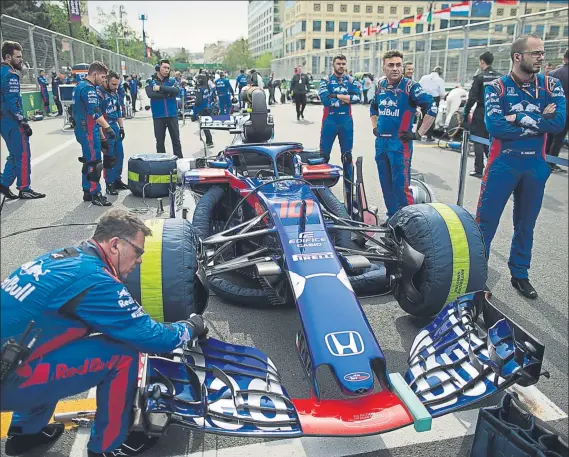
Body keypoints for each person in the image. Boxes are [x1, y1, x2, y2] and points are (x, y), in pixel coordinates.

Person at [0, 208, 208, 457]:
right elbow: (153, 338)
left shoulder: (63, 258)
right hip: (8, 380)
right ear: (115, 245)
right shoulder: (96, 280)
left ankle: (25, 435)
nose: (140, 260)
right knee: (123, 354)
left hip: (11, 362)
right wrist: (191, 326)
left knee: (49, 342)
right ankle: (108, 446)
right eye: (138, 252)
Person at [477, 34, 566, 299]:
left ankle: (520, 274)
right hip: (502, 164)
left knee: (526, 224)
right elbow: (495, 127)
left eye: (542, 52)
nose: (541, 57)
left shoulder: (552, 85)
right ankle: (477, 276)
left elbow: (558, 123)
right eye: (535, 53)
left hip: (535, 166)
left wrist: (518, 117)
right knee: (485, 224)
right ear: (518, 57)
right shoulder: (496, 87)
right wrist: (540, 118)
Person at [370, 50, 438, 223]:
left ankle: (409, 224)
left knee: (401, 187)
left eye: (398, 65)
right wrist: (375, 126)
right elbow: (373, 107)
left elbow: (431, 107)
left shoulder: (410, 87)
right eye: (391, 65)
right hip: (381, 143)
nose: (395, 69)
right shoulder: (380, 85)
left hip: (400, 144)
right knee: (386, 186)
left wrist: (418, 133)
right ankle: (392, 220)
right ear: (383, 67)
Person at [0, 41, 45, 200]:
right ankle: (24, 188)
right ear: (7, 57)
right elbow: (13, 102)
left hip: (3, 121)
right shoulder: (10, 74)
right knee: (23, 154)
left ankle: (4, 183)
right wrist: (23, 121)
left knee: (14, 154)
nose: (21, 59)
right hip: (12, 121)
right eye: (18, 57)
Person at [73, 61, 115, 206]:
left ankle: (87, 191)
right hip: (88, 131)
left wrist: (102, 137)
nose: (104, 80)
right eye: (103, 77)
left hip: (86, 130)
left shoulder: (81, 86)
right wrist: (108, 128)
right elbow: (95, 113)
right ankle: (95, 193)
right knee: (94, 163)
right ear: (95, 74)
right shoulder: (89, 89)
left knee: (88, 160)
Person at [318, 54, 360, 199]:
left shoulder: (351, 80)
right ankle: (321, 191)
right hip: (329, 122)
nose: (341, 66)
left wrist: (335, 96)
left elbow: (357, 98)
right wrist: (345, 98)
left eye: (343, 63)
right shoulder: (326, 80)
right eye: (338, 63)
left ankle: (349, 193)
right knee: (323, 157)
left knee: (347, 157)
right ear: (333, 65)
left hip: (346, 123)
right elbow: (325, 99)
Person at [464, 52, 502, 177]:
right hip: (496, 112)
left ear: (482, 61)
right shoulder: (500, 77)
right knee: (491, 140)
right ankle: (494, 167)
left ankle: (478, 168)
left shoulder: (480, 77)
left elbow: (472, 97)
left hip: (481, 111)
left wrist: (466, 111)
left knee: (478, 140)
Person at [98, 70, 128, 196]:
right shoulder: (99, 94)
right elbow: (97, 116)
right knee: (109, 157)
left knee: (119, 155)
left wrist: (121, 128)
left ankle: (117, 180)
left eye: (117, 84)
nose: (116, 87)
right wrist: (102, 137)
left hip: (115, 126)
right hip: (105, 127)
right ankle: (109, 184)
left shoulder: (115, 93)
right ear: (106, 81)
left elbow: (119, 111)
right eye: (113, 84)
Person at [145, 59, 182, 158]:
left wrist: (160, 89)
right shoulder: (150, 81)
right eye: (164, 67)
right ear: (158, 68)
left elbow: (176, 91)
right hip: (158, 116)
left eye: (168, 68)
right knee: (160, 142)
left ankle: (179, 162)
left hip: (172, 115)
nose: (167, 70)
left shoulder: (172, 80)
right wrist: (168, 94)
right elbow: (150, 94)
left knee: (176, 141)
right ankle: (162, 163)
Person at [546, 48, 568, 173]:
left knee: (549, 135)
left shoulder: (552, 74)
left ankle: (546, 158)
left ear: (564, 58)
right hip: (566, 112)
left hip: (552, 109)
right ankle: (551, 162)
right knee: (559, 138)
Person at [419, 66, 446, 141]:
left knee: (422, 116)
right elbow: (442, 93)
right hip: (434, 99)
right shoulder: (440, 80)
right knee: (431, 117)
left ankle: (419, 134)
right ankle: (429, 136)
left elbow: (418, 87)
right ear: (439, 73)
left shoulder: (424, 77)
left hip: (424, 97)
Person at [193, 73, 214, 148]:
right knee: (206, 126)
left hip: (203, 109)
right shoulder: (208, 87)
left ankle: (210, 141)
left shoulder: (200, 89)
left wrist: (194, 113)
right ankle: (209, 141)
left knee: (205, 126)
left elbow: (197, 102)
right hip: (208, 108)